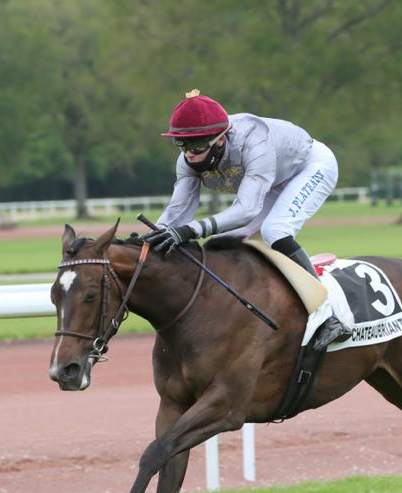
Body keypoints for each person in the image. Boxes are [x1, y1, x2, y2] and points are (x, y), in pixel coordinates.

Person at [142, 90, 352, 349]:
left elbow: (246, 209)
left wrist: (190, 231)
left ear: (220, 141)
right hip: (269, 182)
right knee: (222, 241)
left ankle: (328, 315)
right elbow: (178, 209)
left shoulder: (254, 140)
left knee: (275, 230)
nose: (189, 154)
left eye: (196, 146)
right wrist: (155, 236)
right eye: (181, 145)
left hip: (309, 167)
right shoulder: (188, 159)